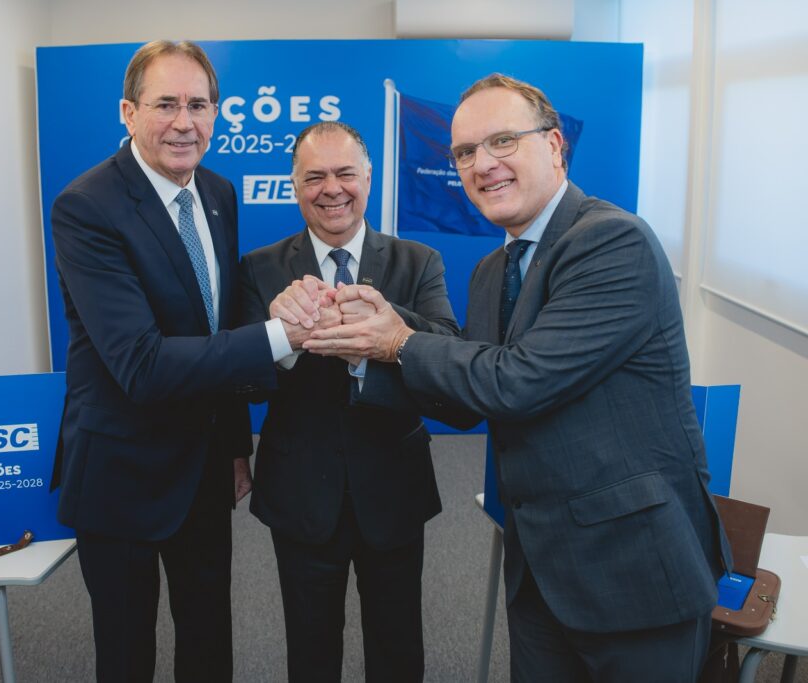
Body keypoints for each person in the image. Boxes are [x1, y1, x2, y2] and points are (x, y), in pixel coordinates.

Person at [303, 74, 731, 682]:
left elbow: (518, 381)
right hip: (538, 568)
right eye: (465, 152)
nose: (483, 164)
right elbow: (465, 400)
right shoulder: (491, 269)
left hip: (630, 569)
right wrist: (373, 333)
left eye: (502, 141)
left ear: (554, 145)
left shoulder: (612, 241)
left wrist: (397, 341)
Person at [49, 40, 317, 682]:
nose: (183, 122)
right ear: (128, 112)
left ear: (217, 113)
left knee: (208, 636)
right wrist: (280, 336)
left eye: (198, 105)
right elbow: (140, 363)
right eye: (165, 104)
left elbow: (214, 328)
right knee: (126, 653)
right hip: (121, 474)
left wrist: (234, 446)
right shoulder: (86, 207)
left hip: (202, 467)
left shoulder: (218, 193)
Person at [239, 121, 458, 682]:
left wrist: (383, 329)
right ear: (294, 186)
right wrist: (283, 338)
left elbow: (447, 352)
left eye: (345, 174)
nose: (332, 189)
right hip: (300, 492)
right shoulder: (260, 268)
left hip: (393, 487)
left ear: (368, 178)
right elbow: (243, 383)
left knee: (397, 646)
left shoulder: (418, 260)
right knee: (310, 649)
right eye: (315, 177)